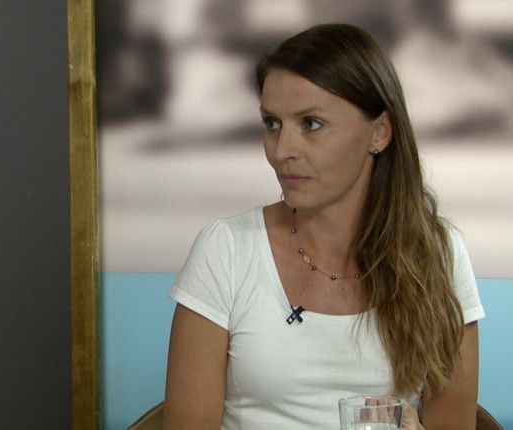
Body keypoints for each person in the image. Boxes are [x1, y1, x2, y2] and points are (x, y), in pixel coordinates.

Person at [164, 23, 485, 430]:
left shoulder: (438, 254)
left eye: (311, 124)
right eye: (272, 123)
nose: (282, 151)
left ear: (380, 132)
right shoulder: (226, 249)